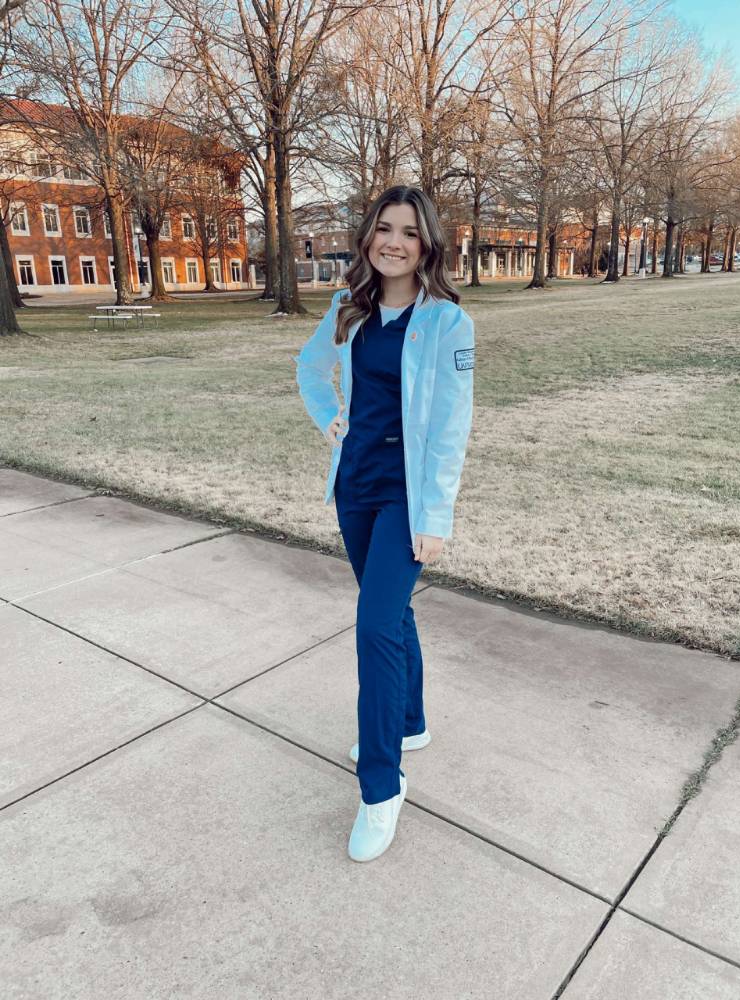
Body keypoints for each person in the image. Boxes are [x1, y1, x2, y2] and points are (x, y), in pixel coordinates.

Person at [294, 185, 474, 862]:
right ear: (369, 236)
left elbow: (453, 428)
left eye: (408, 231)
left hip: (408, 498)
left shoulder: (449, 325)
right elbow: (310, 368)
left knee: (374, 627)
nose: (393, 242)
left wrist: (437, 516)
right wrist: (328, 418)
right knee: (391, 616)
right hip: (355, 489)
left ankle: (380, 786)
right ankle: (410, 722)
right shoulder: (349, 307)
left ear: (426, 244)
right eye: (383, 229)